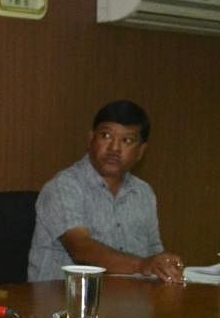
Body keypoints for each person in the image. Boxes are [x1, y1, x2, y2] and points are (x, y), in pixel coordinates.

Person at [28, 100, 183, 283]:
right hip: (64, 305)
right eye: (106, 136)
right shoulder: (63, 187)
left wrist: (164, 265)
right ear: (91, 139)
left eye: (127, 140)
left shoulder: (143, 193)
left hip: (129, 304)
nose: (114, 149)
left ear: (141, 151)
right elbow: (81, 249)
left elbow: (154, 251)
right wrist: (143, 265)